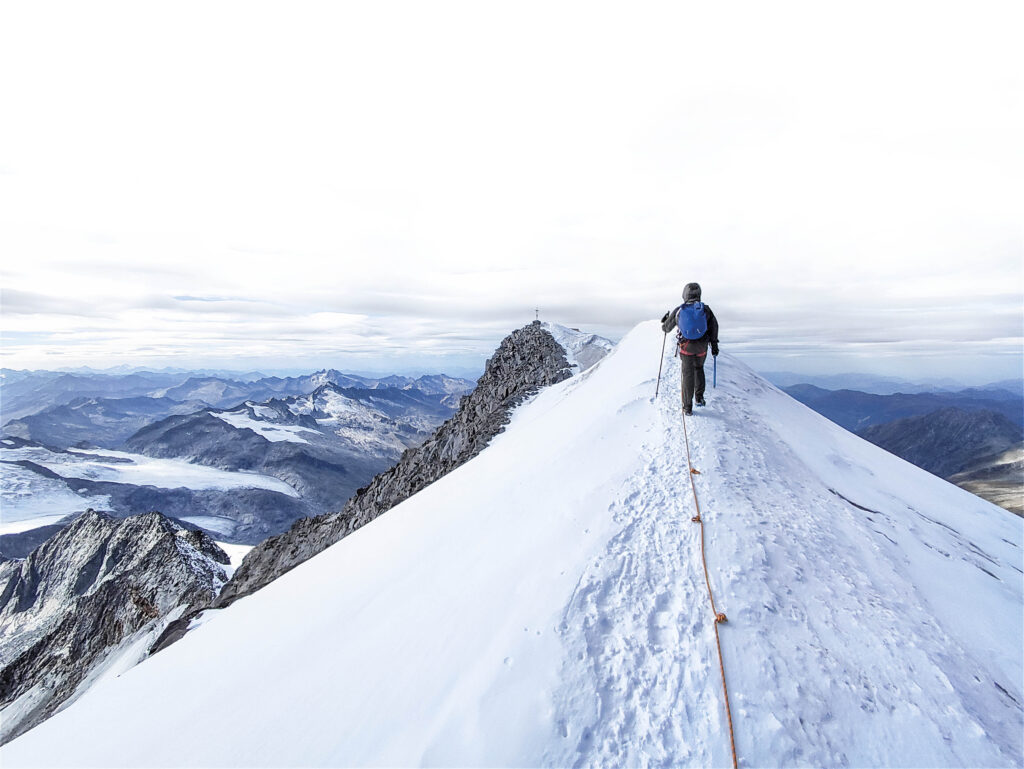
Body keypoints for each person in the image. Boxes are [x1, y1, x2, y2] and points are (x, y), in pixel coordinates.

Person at [661, 282, 719, 415]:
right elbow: (714, 327)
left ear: (684, 294)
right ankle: (699, 398)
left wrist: (664, 321)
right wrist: (714, 345)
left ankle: (687, 407)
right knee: (699, 369)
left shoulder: (680, 310)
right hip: (702, 347)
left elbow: (666, 328)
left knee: (687, 374)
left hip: (686, 347)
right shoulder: (706, 310)